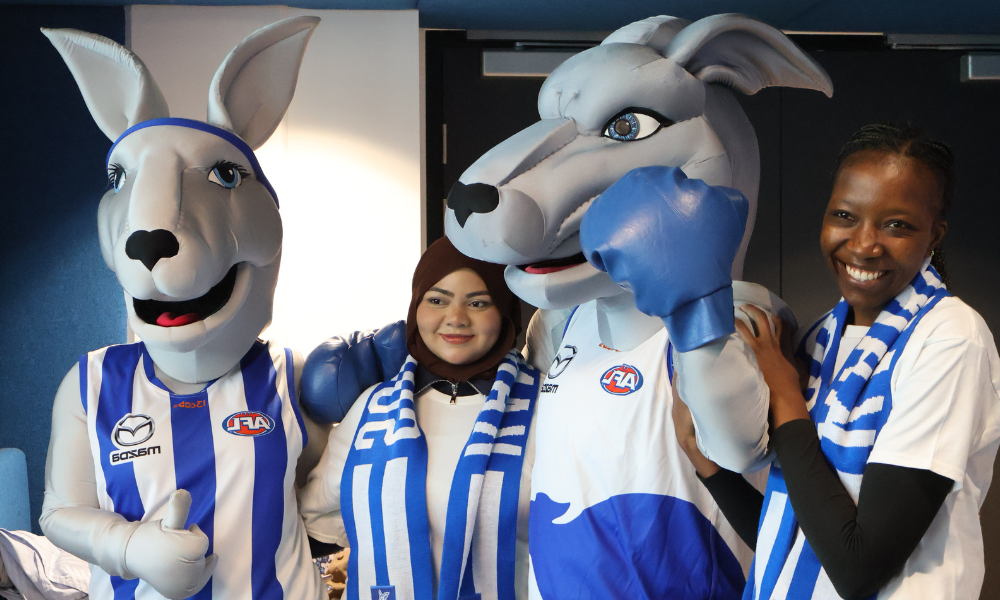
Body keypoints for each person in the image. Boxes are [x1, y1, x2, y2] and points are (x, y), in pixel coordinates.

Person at [676, 123, 1000, 600]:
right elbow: (795, 541)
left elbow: (857, 568)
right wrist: (708, 465)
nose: (865, 244)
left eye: (897, 225)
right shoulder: (822, 337)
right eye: (845, 215)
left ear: (935, 235)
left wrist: (786, 393)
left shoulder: (949, 337)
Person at [299, 237, 541, 600]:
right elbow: (319, 516)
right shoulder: (372, 409)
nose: (456, 319)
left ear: (506, 310)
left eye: (478, 302)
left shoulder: (546, 407)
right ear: (416, 308)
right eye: (437, 300)